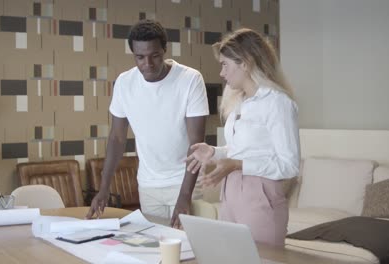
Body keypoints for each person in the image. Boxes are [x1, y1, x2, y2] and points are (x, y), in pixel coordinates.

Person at [86, 19, 209, 228]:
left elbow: (196, 143)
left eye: (155, 56)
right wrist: (104, 188)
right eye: (140, 57)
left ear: (165, 50)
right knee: (156, 251)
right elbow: (116, 138)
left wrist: (184, 196)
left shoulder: (190, 80)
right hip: (148, 185)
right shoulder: (125, 83)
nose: (148, 64)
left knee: (190, 251)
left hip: (184, 182)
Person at [186, 28, 300, 247]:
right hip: (231, 196)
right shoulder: (241, 103)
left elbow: (289, 165)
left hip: (261, 198)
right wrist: (214, 153)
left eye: (225, 65)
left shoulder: (278, 103)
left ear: (245, 63)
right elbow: (243, 150)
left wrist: (237, 164)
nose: (221, 73)